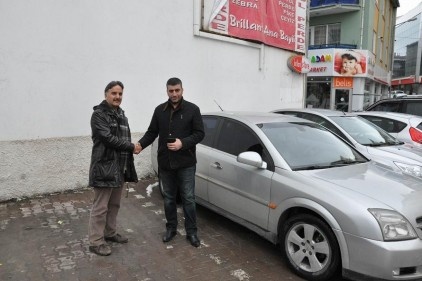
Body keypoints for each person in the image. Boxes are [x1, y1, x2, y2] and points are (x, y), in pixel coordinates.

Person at [137, 77, 204, 247]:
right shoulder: (160, 110)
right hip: (166, 163)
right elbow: (152, 132)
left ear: (182, 90)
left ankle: (192, 232)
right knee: (168, 198)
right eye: (171, 91)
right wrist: (140, 145)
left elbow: (199, 134)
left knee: (188, 198)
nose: (174, 94)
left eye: (177, 90)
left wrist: (183, 143)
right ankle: (171, 228)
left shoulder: (193, 109)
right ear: (167, 91)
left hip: (186, 163)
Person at [88, 81, 141, 256]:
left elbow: (122, 138)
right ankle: (95, 242)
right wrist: (131, 146)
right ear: (106, 94)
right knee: (100, 206)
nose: (117, 97)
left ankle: (109, 233)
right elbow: (108, 138)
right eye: (114, 93)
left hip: (120, 167)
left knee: (114, 204)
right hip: (105, 166)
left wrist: (130, 152)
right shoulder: (99, 115)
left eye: (120, 94)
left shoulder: (121, 114)